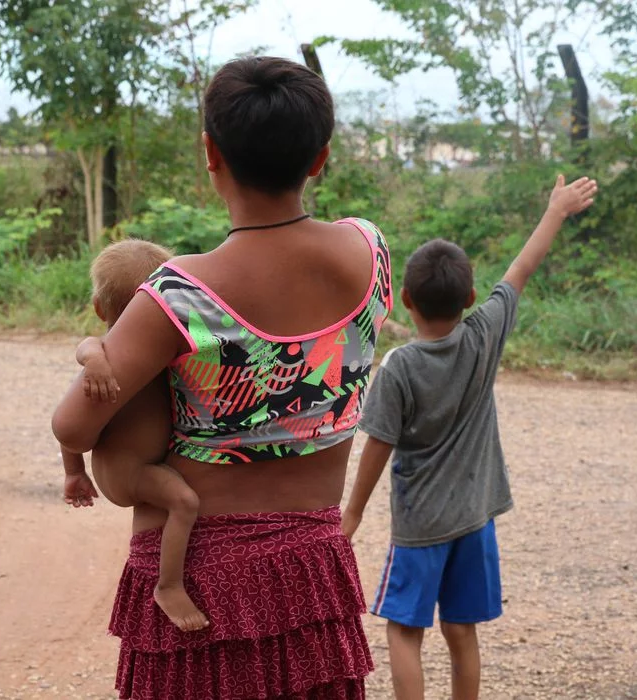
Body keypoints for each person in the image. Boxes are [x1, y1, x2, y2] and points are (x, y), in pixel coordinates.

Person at [52, 56, 392, 700]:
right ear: (319, 158)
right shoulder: (370, 251)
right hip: (310, 573)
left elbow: (75, 424)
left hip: (198, 582)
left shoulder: (179, 297)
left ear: (211, 152)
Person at [341, 174, 598, 700]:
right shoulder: (484, 335)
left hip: (419, 526)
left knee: (404, 631)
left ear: (405, 299)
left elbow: (379, 446)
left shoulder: (399, 367)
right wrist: (556, 209)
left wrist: (353, 513)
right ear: (472, 297)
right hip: (475, 519)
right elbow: (523, 267)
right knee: (461, 631)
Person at [59, 238, 209, 633]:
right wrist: (93, 361)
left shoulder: (163, 349)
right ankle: (169, 585)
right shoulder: (105, 356)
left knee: (184, 498)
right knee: (185, 502)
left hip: (141, 462)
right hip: (127, 472)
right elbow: (70, 420)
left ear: (98, 306)